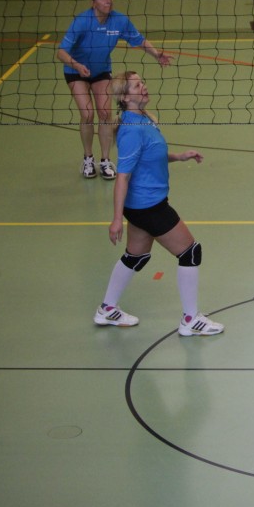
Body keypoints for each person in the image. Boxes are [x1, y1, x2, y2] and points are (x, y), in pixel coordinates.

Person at [94, 71, 223, 337]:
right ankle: (190, 320)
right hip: (148, 205)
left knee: (136, 257)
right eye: (137, 85)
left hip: (143, 204)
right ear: (125, 97)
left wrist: (179, 156)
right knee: (190, 252)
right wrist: (116, 219)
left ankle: (107, 309)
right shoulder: (131, 130)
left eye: (142, 81)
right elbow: (123, 177)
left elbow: (151, 155)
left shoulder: (144, 119)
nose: (144, 86)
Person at [56, 0, 173, 180]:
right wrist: (77, 66)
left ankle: (105, 160)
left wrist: (156, 54)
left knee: (105, 113)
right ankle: (88, 159)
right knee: (87, 113)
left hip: (101, 71)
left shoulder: (119, 20)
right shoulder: (82, 21)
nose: (108, 1)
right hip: (76, 71)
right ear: (93, 2)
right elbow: (61, 52)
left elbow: (139, 40)